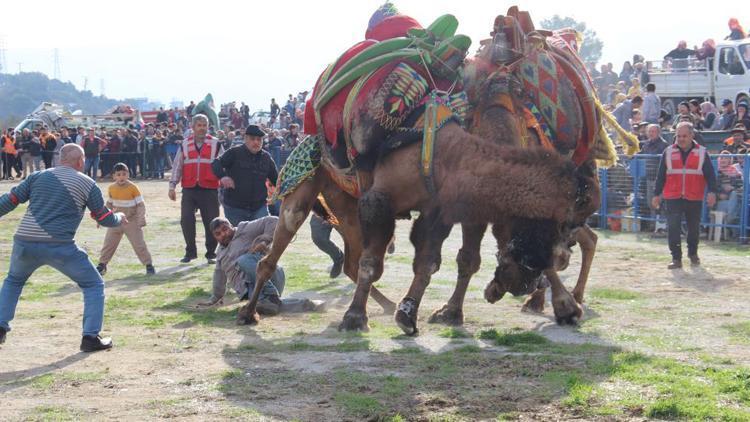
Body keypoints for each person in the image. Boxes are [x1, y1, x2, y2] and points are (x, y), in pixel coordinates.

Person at [0, 144, 125, 351]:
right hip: (60, 246)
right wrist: (119, 217)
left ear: (60, 159)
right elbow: (103, 218)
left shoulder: (37, 176)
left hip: (25, 240)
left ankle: (0, 327)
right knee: (93, 284)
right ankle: (90, 337)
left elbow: (11, 200)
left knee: (13, 280)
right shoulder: (87, 183)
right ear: (81, 161)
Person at [198, 217, 323, 315]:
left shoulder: (244, 229)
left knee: (243, 260)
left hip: (271, 276)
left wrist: (264, 240)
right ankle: (307, 304)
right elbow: (219, 277)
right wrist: (214, 299)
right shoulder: (220, 253)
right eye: (218, 233)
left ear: (231, 226)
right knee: (261, 305)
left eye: (225, 229)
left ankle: (270, 296)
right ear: (214, 237)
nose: (223, 234)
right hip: (252, 288)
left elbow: (274, 221)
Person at [652, 122, 717, 269]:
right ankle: (676, 258)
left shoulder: (702, 152)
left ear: (692, 135)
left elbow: (710, 175)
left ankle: (693, 253)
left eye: (684, 136)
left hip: (694, 197)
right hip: (672, 197)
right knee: (673, 227)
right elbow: (660, 175)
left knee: (693, 229)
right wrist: (656, 194)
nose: (681, 139)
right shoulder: (668, 152)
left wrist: (712, 192)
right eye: (678, 136)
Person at [169, 114, 223, 264]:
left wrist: (225, 182)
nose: (202, 128)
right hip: (189, 188)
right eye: (199, 125)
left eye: (204, 125)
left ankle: (211, 253)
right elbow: (177, 166)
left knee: (212, 222)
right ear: (192, 127)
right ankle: (190, 252)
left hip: (210, 188)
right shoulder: (184, 144)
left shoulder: (216, 144)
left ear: (208, 126)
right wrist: (172, 185)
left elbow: (223, 165)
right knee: (186, 219)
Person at [212, 124, 278, 226]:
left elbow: (276, 180)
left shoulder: (266, 158)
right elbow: (216, 163)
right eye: (253, 139)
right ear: (246, 139)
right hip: (235, 208)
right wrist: (223, 176)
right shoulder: (234, 152)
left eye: (259, 139)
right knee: (239, 239)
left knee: (261, 238)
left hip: (259, 208)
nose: (256, 142)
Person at [96, 163, 155, 276]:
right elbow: (109, 205)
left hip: (131, 221)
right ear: (114, 176)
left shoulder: (133, 188)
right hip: (116, 221)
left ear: (128, 174)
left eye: (124, 174)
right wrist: (100, 219)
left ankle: (149, 265)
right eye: (118, 174)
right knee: (108, 244)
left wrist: (141, 218)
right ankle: (102, 265)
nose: (121, 177)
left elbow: (141, 205)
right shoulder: (111, 188)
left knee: (139, 244)